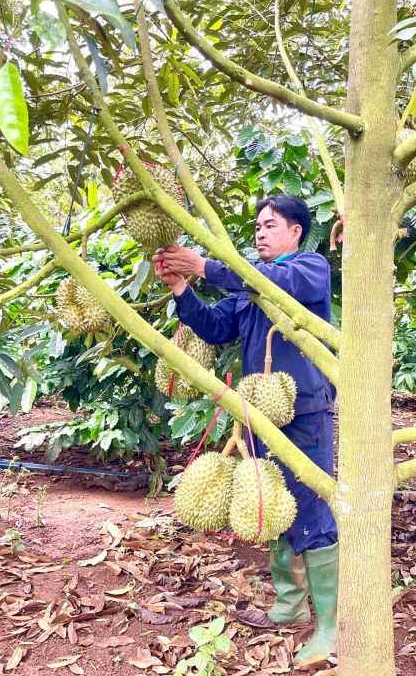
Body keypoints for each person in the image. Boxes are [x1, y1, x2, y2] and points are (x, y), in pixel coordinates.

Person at [153, 193, 338, 663]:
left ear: (296, 231)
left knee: (314, 508)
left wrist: (207, 266)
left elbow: (272, 282)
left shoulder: (308, 269)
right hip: (258, 412)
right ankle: (290, 606)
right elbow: (215, 328)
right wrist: (181, 288)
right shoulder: (249, 290)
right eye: (256, 226)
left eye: (270, 225)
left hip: (305, 413)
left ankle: (332, 629)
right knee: (268, 498)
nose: (259, 232)